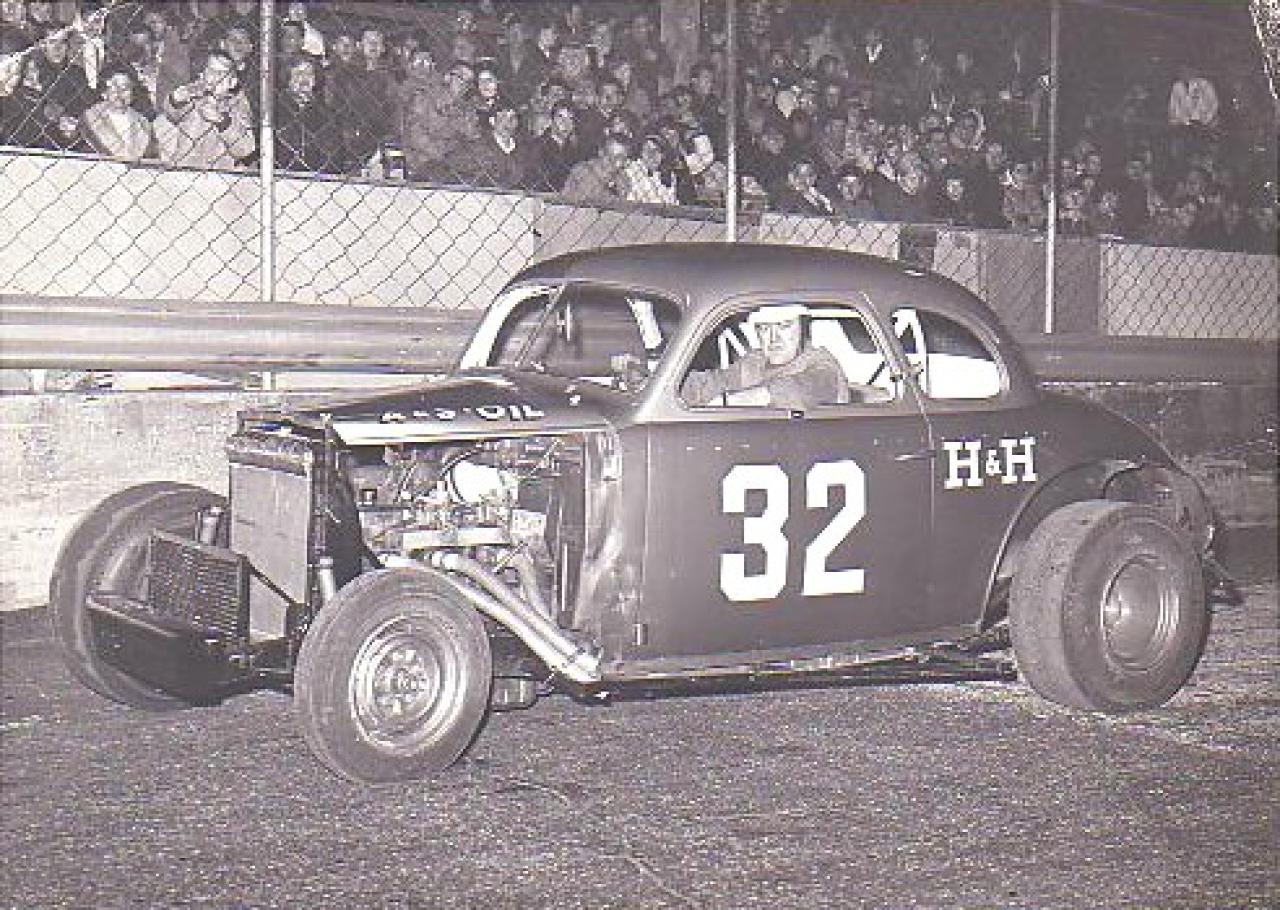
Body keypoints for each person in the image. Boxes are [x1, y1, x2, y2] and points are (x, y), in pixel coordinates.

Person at [682, 305, 850, 409]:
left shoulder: (822, 364)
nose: (774, 338)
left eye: (784, 326)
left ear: (803, 328)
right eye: (764, 328)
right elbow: (712, 383)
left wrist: (737, 400)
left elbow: (803, 388)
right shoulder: (753, 363)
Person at [80, 65, 153, 161]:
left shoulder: (143, 123)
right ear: (104, 92)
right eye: (114, 87)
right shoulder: (90, 118)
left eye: (125, 88)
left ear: (133, 93)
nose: (119, 93)